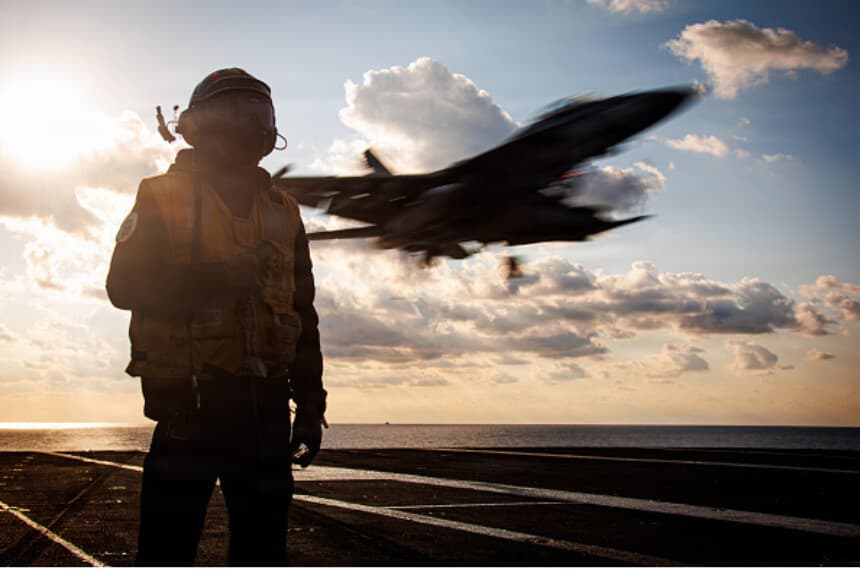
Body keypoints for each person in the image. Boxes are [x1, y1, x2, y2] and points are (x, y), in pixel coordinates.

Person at [106, 68, 327, 566]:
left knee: (264, 552)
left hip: (266, 413)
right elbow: (123, 287)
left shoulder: (284, 212)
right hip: (189, 408)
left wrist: (310, 405)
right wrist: (221, 276)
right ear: (200, 127)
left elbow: (302, 311)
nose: (251, 127)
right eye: (237, 114)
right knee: (167, 552)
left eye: (259, 116)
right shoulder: (161, 196)